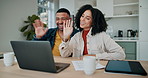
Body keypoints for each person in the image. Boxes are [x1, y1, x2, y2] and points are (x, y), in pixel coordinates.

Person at [59, 4, 125, 60]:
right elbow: (64, 55)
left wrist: (95, 56)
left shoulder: (102, 36)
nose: (82, 19)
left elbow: (121, 54)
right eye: (82, 16)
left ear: (93, 22)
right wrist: (65, 39)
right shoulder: (76, 36)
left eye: (87, 18)